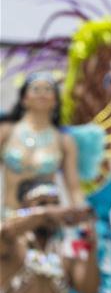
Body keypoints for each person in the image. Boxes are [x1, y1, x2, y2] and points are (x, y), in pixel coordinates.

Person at [0, 178, 99, 293]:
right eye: (42, 203)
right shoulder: (12, 244)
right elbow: (6, 231)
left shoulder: (64, 251)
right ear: (24, 208)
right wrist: (44, 215)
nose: (53, 210)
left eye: (55, 204)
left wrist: (90, 248)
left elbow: (89, 291)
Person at [0, 73, 83, 213]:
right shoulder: (6, 132)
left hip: (45, 227)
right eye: (36, 89)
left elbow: (74, 188)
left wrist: (85, 218)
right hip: (9, 222)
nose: (42, 94)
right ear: (24, 99)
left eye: (48, 89)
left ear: (55, 101)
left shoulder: (64, 140)